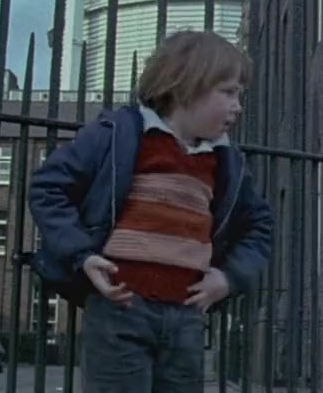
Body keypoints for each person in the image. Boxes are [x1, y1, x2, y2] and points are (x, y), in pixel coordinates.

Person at [29, 31, 274, 392]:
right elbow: (48, 187)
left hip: (187, 315)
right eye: (228, 92)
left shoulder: (226, 161)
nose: (238, 106)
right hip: (120, 308)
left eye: (240, 95)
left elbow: (260, 226)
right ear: (186, 86)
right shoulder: (119, 133)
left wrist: (228, 278)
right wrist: (81, 253)